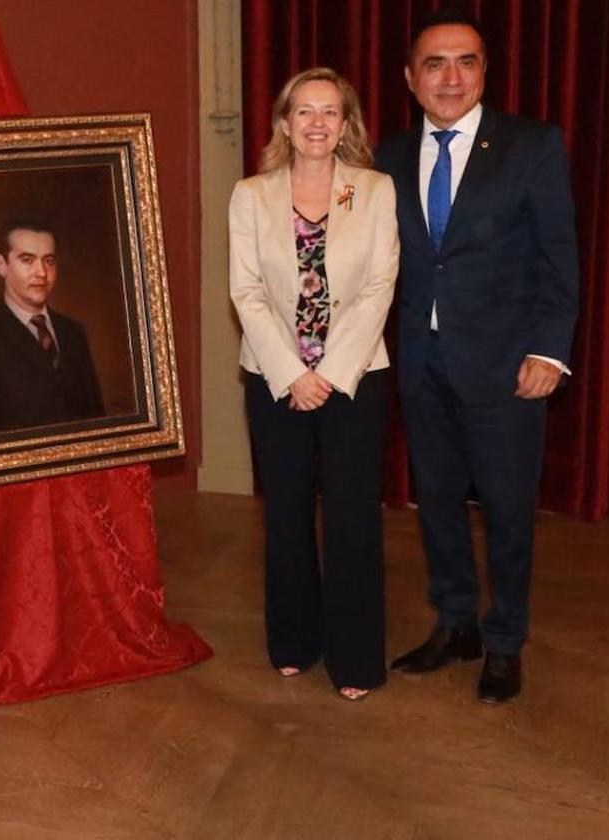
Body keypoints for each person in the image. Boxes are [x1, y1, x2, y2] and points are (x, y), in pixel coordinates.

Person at [376, 8, 579, 703]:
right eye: (435, 63)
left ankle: (504, 641)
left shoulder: (531, 145)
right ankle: (456, 622)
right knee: (435, 502)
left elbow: (559, 258)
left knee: (507, 509)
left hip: (504, 365)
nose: (451, 76)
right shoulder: (389, 157)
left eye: (465, 61)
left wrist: (550, 351)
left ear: (485, 72)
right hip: (420, 363)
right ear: (411, 78)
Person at [229, 67, 398, 701]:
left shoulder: (374, 190)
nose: (318, 123)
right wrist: (292, 375)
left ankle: (355, 658)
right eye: (305, 112)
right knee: (288, 512)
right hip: (274, 380)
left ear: (346, 124)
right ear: (284, 123)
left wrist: (327, 375)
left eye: (331, 112)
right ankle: (294, 639)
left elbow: (381, 286)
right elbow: (245, 291)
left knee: (354, 517)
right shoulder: (251, 194)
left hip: (355, 380)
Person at [0, 219, 105, 436]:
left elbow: (97, 421)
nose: (41, 273)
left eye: (49, 261)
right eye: (27, 260)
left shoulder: (74, 332)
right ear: (1, 265)